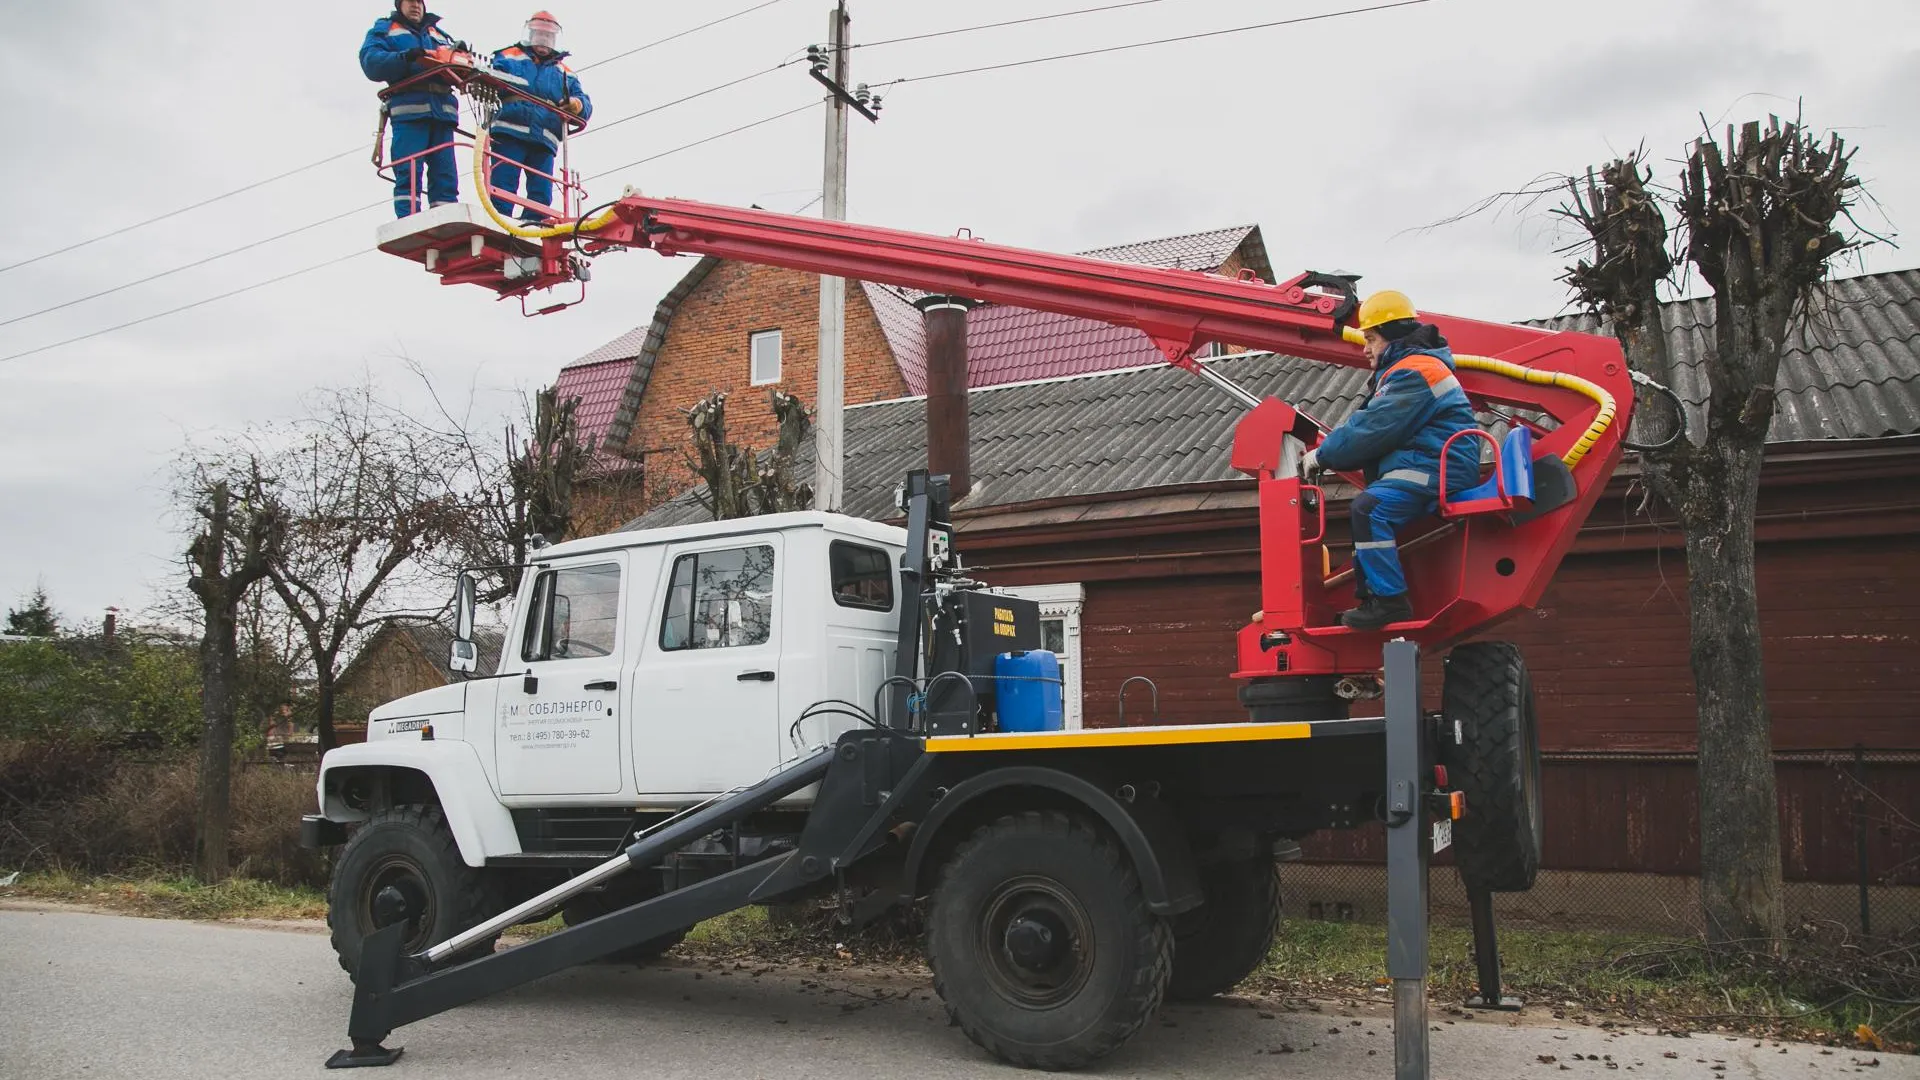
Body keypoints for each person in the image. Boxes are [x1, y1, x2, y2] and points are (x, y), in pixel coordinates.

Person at [1302, 290, 1482, 631]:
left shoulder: (1413, 371)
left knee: (1370, 509)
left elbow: (1372, 429)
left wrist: (1322, 455)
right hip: (1429, 463)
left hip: (1433, 468)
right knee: (1368, 508)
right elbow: (1371, 428)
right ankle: (1371, 595)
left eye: (1371, 338)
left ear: (1394, 336)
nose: (1365, 348)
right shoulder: (1414, 368)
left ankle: (1389, 602)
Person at [360, 2, 464, 217]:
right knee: (409, 172)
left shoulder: (440, 35)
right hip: (409, 114)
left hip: (442, 115)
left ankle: (444, 222)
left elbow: (459, 66)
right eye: (410, 1)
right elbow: (371, 63)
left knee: (446, 176)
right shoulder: (385, 30)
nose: (416, 5)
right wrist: (406, 56)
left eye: (419, 1)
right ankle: (410, 220)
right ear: (400, 4)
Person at [487, 11, 592, 224]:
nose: (543, 40)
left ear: (554, 39)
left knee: (541, 195)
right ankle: (499, 225)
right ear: (531, 34)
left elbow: (585, 104)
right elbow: (490, 78)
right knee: (503, 186)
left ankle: (531, 230)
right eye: (540, 34)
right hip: (510, 131)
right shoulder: (508, 57)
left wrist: (576, 104)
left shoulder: (565, 72)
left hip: (544, 138)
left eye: (548, 36)